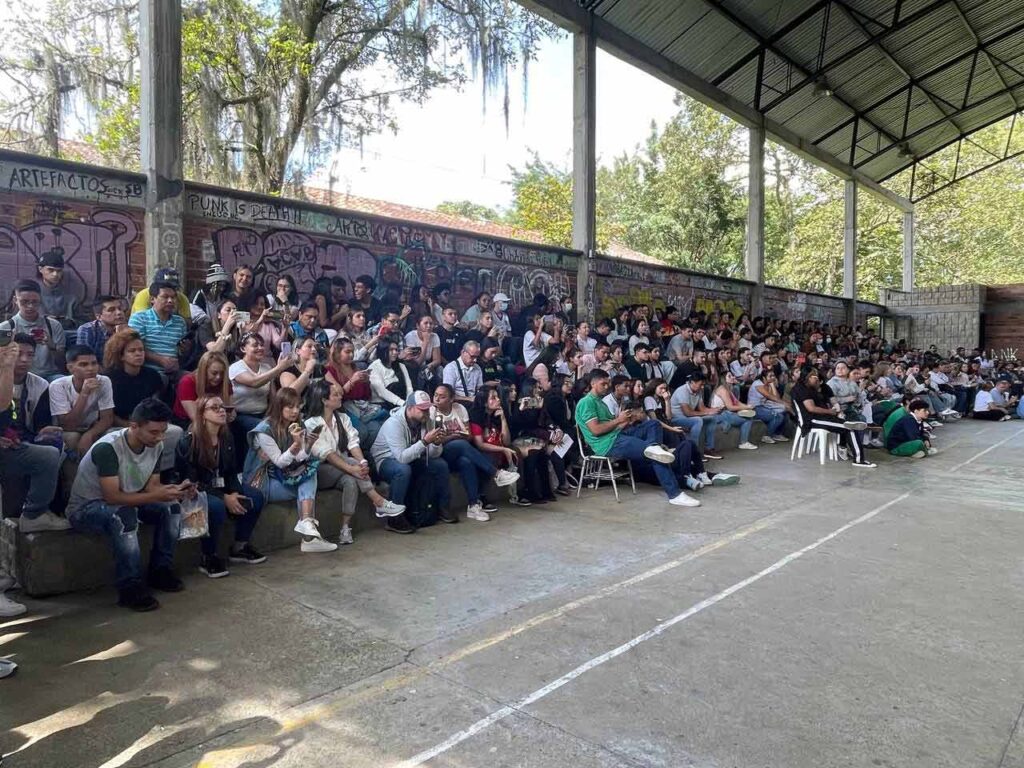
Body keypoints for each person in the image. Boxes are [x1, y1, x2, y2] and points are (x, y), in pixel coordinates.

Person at [66, 398, 188, 611]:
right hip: (88, 507)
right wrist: (156, 496)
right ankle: (129, 586)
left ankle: (161, 570)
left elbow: (152, 487)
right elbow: (112, 497)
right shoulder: (108, 448)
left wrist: (175, 491)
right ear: (134, 426)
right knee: (124, 515)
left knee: (172, 507)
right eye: (153, 432)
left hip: (128, 500)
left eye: (163, 431)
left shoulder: (156, 445)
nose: (160, 437)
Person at [575, 369, 699, 507]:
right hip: (607, 444)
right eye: (603, 384)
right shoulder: (586, 402)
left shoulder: (600, 402)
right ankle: (675, 494)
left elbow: (612, 426)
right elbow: (596, 430)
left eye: (608, 383)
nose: (606, 387)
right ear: (593, 383)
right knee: (655, 454)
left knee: (653, 424)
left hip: (618, 435)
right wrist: (618, 420)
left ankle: (654, 448)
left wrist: (626, 420)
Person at [174, 395, 267, 577]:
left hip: (222, 485)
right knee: (216, 506)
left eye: (223, 407)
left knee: (254, 496)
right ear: (202, 414)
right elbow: (191, 481)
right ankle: (208, 556)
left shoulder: (226, 438)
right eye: (214, 408)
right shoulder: (188, 442)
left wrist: (235, 493)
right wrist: (224, 498)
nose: (222, 411)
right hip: (196, 490)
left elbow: (231, 472)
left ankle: (240, 546)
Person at [304, 379, 406, 543]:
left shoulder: (343, 418)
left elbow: (353, 443)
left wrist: (363, 463)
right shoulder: (311, 424)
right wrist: (353, 467)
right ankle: (378, 501)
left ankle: (345, 529)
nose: (340, 397)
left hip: (343, 468)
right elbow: (327, 454)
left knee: (351, 481)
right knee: (351, 464)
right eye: (335, 394)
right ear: (324, 400)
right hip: (319, 471)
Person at [243, 387, 336, 552]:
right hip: (263, 480)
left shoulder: (297, 424)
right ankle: (309, 537)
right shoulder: (264, 430)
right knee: (307, 483)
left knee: (310, 475)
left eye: (298, 407)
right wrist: (296, 445)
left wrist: (308, 445)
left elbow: (301, 458)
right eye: (290, 407)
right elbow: (280, 462)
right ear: (279, 406)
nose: (295, 411)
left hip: (286, 475)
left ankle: (307, 525)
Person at [0, 337, 65, 532]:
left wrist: (41, 431)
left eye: (29, 355)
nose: (22, 359)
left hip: (14, 442)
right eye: (16, 354)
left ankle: (34, 514)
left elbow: (5, 410)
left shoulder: (39, 384)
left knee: (50, 453)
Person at [432, 383, 519, 521]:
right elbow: (436, 440)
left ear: (451, 399)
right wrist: (454, 436)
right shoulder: (432, 413)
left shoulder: (459, 409)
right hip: (439, 452)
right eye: (436, 395)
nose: (437, 399)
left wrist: (455, 435)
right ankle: (496, 473)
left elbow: (468, 435)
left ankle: (473, 505)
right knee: (460, 443)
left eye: (442, 397)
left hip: (460, 451)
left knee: (466, 462)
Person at [370, 390, 451, 533]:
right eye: (422, 409)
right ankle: (394, 518)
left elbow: (432, 455)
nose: (426, 412)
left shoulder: (426, 421)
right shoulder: (394, 424)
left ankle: (442, 507)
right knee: (403, 470)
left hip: (411, 457)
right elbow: (401, 457)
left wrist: (437, 443)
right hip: (386, 460)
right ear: (410, 407)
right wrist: (425, 441)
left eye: (428, 409)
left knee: (440, 465)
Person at [790, 367, 876, 468]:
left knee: (849, 426)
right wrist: (830, 412)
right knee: (849, 427)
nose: (817, 379)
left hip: (821, 418)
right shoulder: (801, 389)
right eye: (814, 377)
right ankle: (858, 459)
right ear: (807, 377)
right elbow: (811, 408)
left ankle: (853, 454)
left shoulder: (809, 388)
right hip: (811, 420)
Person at [50, 345, 115, 461]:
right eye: (83, 364)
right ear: (70, 368)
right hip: (65, 431)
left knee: (112, 433)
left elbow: (108, 418)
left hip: (91, 427)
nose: (91, 368)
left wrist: (89, 434)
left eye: (94, 363)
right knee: (73, 437)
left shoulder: (104, 381)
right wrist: (84, 394)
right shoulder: (58, 386)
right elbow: (68, 425)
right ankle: (73, 477)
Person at [326, 337, 388, 447]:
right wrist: (352, 381)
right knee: (362, 432)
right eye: (347, 352)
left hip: (360, 407)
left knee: (377, 429)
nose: (351, 355)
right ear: (337, 353)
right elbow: (338, 396)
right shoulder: (330, 370)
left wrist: (366, 383)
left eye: (352, 352)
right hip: (342, 407)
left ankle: (365, 454)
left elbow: (365, 396)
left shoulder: (356, 368)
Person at [0, 279, 66, 380]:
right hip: (16, 375)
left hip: (49, 375)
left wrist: (51, 345)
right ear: (15, 301)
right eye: (24, 302)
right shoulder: (6, 327)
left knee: (62, 382)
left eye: (35, 302)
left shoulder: (53, 325)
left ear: (40, 300)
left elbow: (63, 362)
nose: (30, 306)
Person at [230, 334, 293, 435]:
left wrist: (269, 415)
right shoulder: (236, 367)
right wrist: (278, 368)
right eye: (255, 345)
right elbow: (254, 382)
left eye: (262, 345)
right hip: (240, 415)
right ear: (243, 348)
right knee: (265, 429)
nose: (260, 348)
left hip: (263, 414)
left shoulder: (266, 368)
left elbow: (273, 397)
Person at [128, 279, 188, 380]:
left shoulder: (180, 322)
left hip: (174, 371)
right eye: (165, 297)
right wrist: (161, 360)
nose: (170, 301)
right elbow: (134, 349)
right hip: (148, 371)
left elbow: (180, 354)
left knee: (197, 379)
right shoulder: (139, 318)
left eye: (173, 297)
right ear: (152, 299)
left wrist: (184, 350)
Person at [669, 372, 724, 460]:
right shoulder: (682, 391)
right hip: (677, 419)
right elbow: (688, 413)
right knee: (698, 420)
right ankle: (693, 451)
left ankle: (709, 449)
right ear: (692, 383)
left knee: (711, 419)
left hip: (688, 418)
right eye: (700, 385)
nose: (702, 387)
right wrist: (707, 413)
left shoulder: (698, 391)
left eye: (703, 384)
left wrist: (714, 410)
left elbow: (702, 409)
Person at [710, 372, 758, 451]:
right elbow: (730, 407)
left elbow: (737, 402)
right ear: (723, 379)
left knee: (748, 415)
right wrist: (746, 408)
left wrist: (748, 407)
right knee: (748, 419)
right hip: (720, 415)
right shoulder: (722, 390)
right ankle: (743, 443)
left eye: (732, 375)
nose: (732, 377)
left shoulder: (728, 389)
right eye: (729, 376)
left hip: (726, 413)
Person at [369, 338, 415, 408]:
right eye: (391, 350)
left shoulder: (401, 366)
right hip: (382, 404)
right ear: (383, 350)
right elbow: (382, 392)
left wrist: (409, 402)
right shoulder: (374, 367)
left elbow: (409, 387)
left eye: (396, 350)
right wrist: (402, 403)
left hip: (402, 403)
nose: (395, 352)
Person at [76, 295, 126, 360]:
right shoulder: (87, 329)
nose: (119, 312)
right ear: (98, 316)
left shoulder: (127, 330)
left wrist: (122, 336)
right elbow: (85, 359)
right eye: (111, 310)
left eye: (120, 308)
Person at [747, 368, 789, 444]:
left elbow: (777, 397)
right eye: (770, 376)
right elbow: (770, 397)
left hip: (764, 406)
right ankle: (766, 436)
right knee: (778, 416)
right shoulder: (757, 383)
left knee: (784, 411)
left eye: (774, 376)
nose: (773, 377)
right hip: (755, 408)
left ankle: (777, 434)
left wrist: (772, 385)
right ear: (764, 377)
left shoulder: (769, 384)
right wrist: (784, 403)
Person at [404, 314, 444, 384]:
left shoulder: (434, 336)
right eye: (425, 323)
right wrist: (425, 342)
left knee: (440, 369)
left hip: (428, 365)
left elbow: (437, 360)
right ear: (417, 326)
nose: (429, 326)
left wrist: (429, 366)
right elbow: (417, 362)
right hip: (413, 366)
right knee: (421, 374)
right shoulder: (411, 337)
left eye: (431, 324)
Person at [442, 340, 484, 404]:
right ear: (463, 352)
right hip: (456, 404)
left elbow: (480, 388)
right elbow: (448, 395)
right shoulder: (451, 368)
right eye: (472, 356)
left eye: (477, 357)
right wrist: (469, 399)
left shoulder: (477, 368)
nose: (475, 360)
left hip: (473, 402)